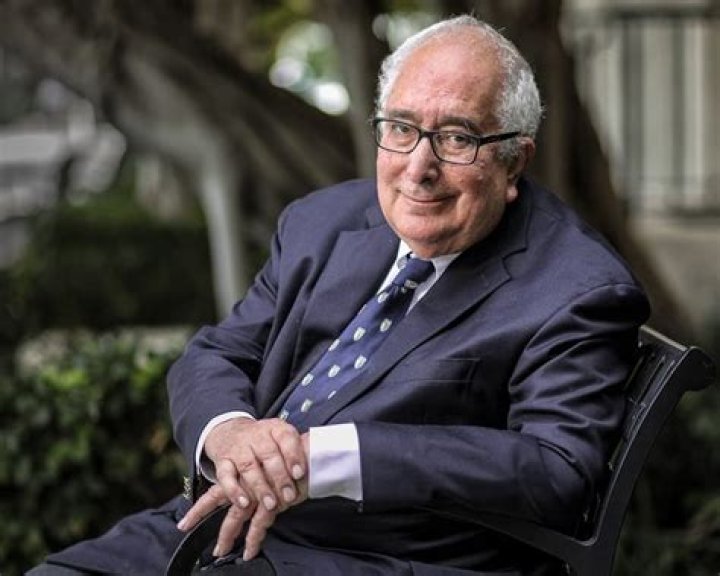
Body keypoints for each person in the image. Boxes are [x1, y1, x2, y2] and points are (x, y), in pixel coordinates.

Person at [31, 14, 650, 576]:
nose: (418, 168)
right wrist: (231, 432)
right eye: (401, 128)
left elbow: (557, 469)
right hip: (217, 527)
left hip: (379, 558)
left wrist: (327, 459)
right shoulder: (322, 222)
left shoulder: (579, 288)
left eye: (457, 138)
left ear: (514, 162)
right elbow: (219, 352)